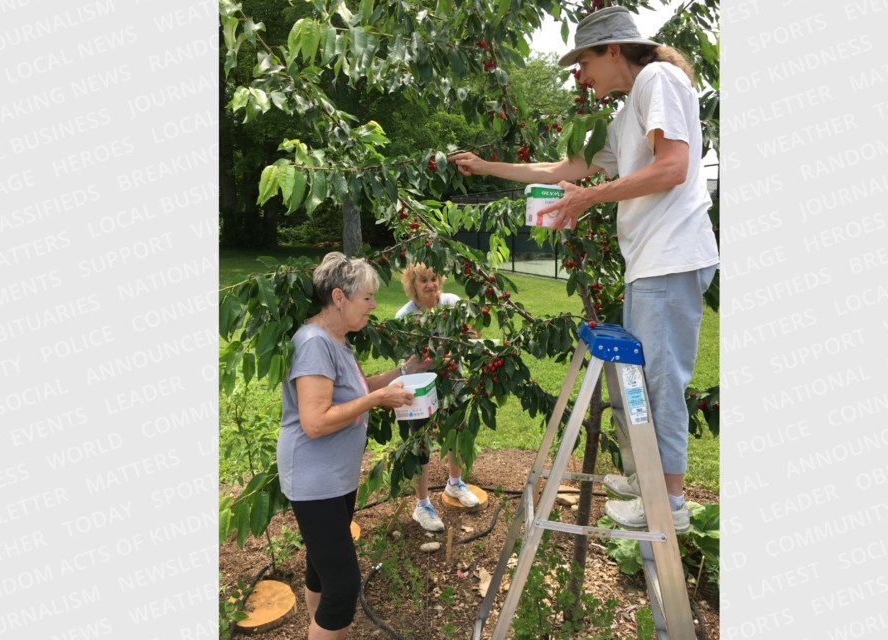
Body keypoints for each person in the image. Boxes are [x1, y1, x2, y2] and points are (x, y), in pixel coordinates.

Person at [449, 6, 718, 534]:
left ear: (614, 50)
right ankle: (648, 481)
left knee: (660, 383)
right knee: (640, 378)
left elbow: (673, 167)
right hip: (650, 261)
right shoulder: (625, 115)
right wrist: (484, 166)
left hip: (671, 255)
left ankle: (670, 502)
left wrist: (590, 198)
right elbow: (562, 170)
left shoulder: (658, 79)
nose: (580, 74)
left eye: (584, 61)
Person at [277, 251, 430, 640]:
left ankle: (316, 627)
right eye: (367, 298)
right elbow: (314, 422)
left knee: (321, 569)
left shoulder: (337, 340)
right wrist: (378, 401)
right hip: (315, 482)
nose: (375, 305)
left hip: (335, 478)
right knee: (343, 586)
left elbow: (360, 388)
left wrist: (406, 370)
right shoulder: (314, 343)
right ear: (340, 298)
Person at [395, 263, 480, 532]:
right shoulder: (405, 316)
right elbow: (406, 361)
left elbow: (472, 334)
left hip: (453, 383)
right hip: (421, 390)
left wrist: (468, 334)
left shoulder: (453, 303)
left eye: (434, 278)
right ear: (412, 284)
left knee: (456, 433)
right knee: (421, 444)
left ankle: (455, 484)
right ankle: (422, 505)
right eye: (423, 280)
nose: (431, 284)